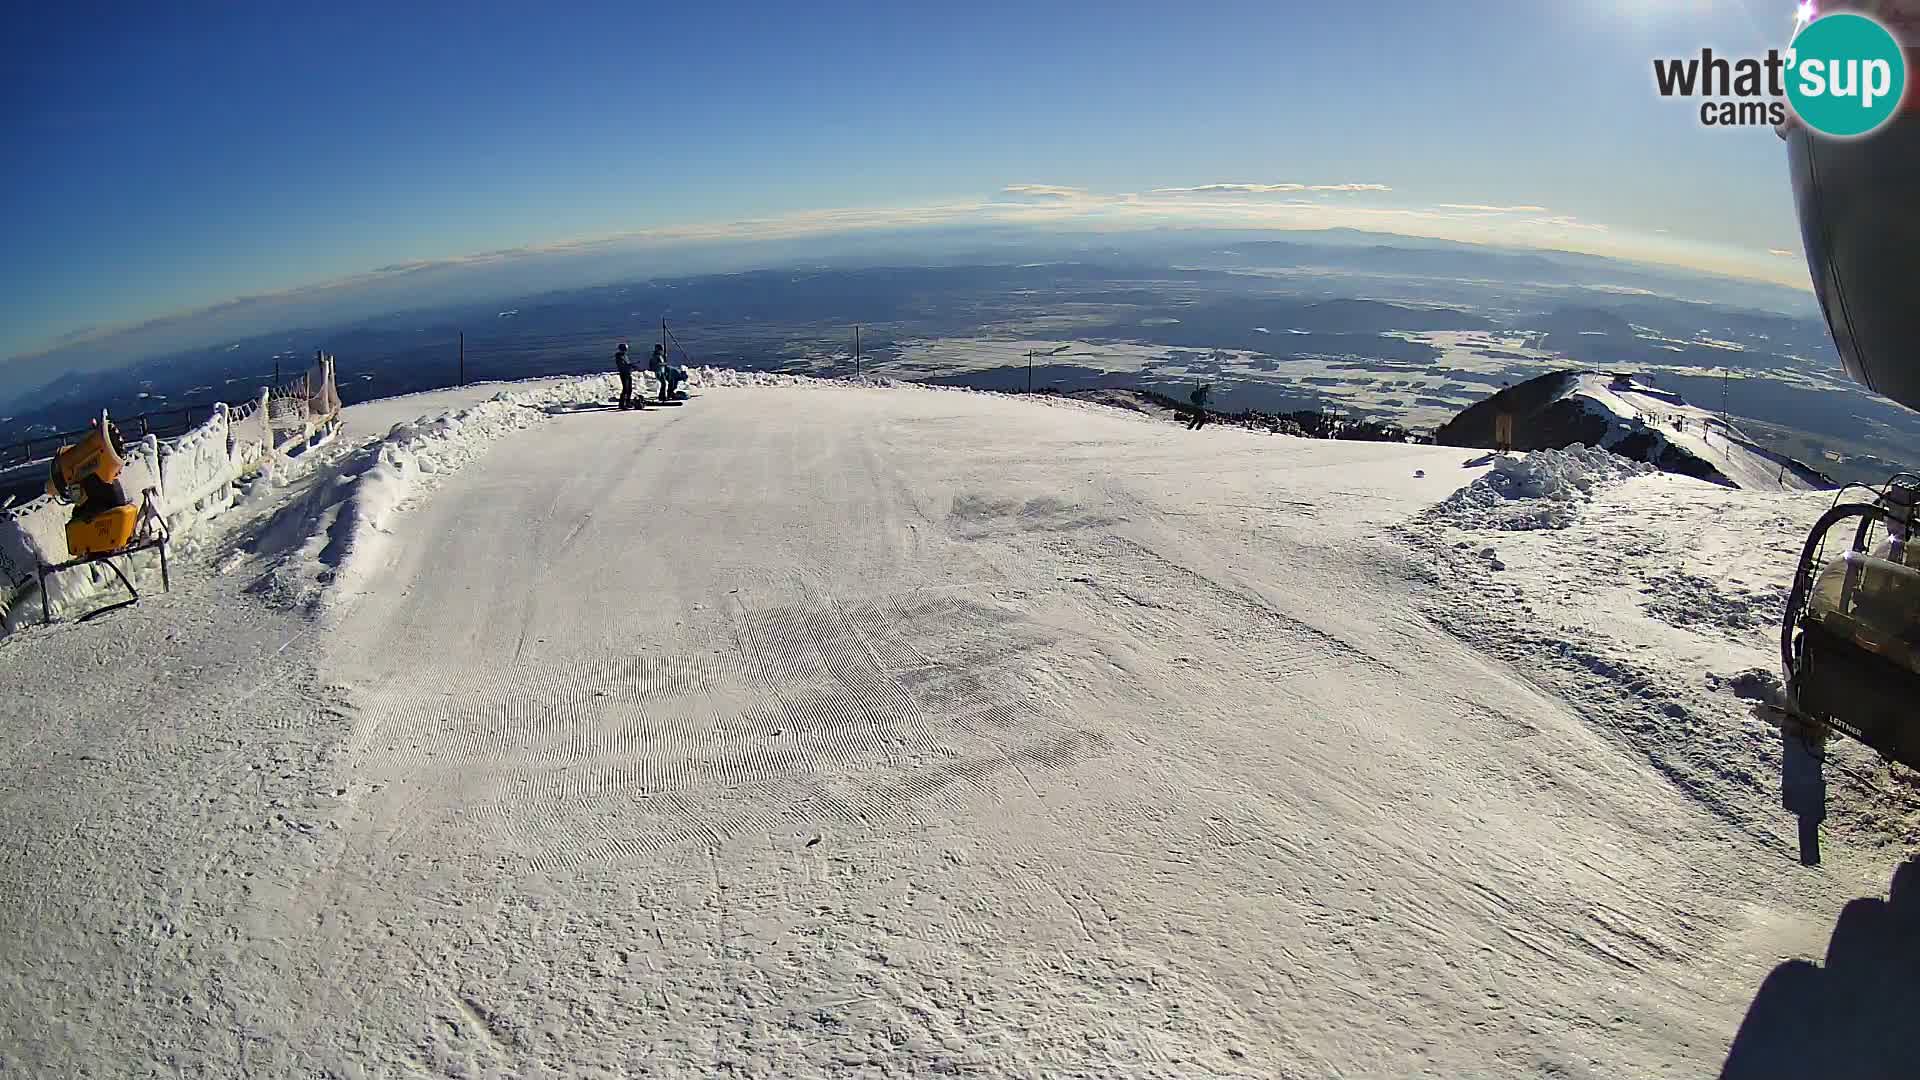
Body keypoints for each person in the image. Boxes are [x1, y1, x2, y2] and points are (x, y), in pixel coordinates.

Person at [614, 342, 640, 410]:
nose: (626, 350)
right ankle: (622, 404)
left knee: (630, 389)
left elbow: (627, 363)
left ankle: (628, 402)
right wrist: (630, 365)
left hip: (628, 373)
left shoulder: (625, 355)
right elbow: (623, 365)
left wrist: (633, 366)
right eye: (625, 349)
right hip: (623, 373)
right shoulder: (619, 356)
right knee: (625, 389)